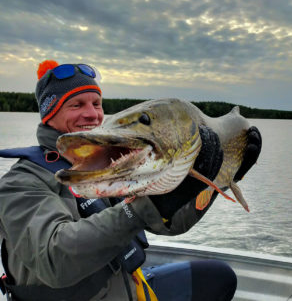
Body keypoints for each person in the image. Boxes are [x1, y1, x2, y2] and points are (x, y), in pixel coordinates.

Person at [0, 61, 261, 301]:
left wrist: (221, 177)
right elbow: (54, 260)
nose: (92, 114)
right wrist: (145, 208)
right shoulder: (20, 182)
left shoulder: (111, 166)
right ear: (49, 114)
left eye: (97, 103)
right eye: (76, 105)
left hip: (128, 290)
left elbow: (170, 224)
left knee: (218, 277)